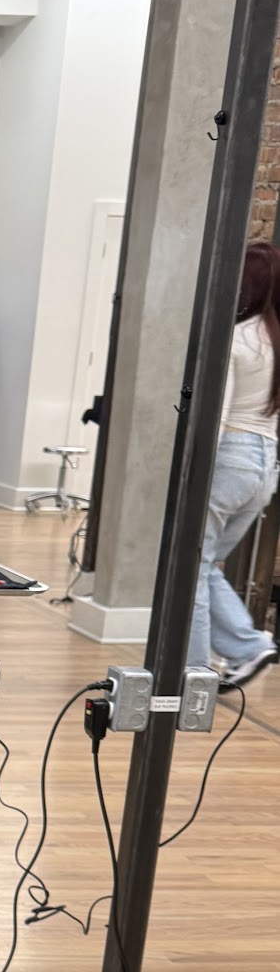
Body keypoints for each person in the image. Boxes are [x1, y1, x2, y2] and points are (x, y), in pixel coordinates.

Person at [188, 239, 280, 691]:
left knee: (191, 566)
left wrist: (191, 471)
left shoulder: (237, 338)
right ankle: (248, 647)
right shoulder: (274, 340)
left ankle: (195, 674)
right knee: (204, 564)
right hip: (266, 466)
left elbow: (216, 416)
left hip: (230, 458)